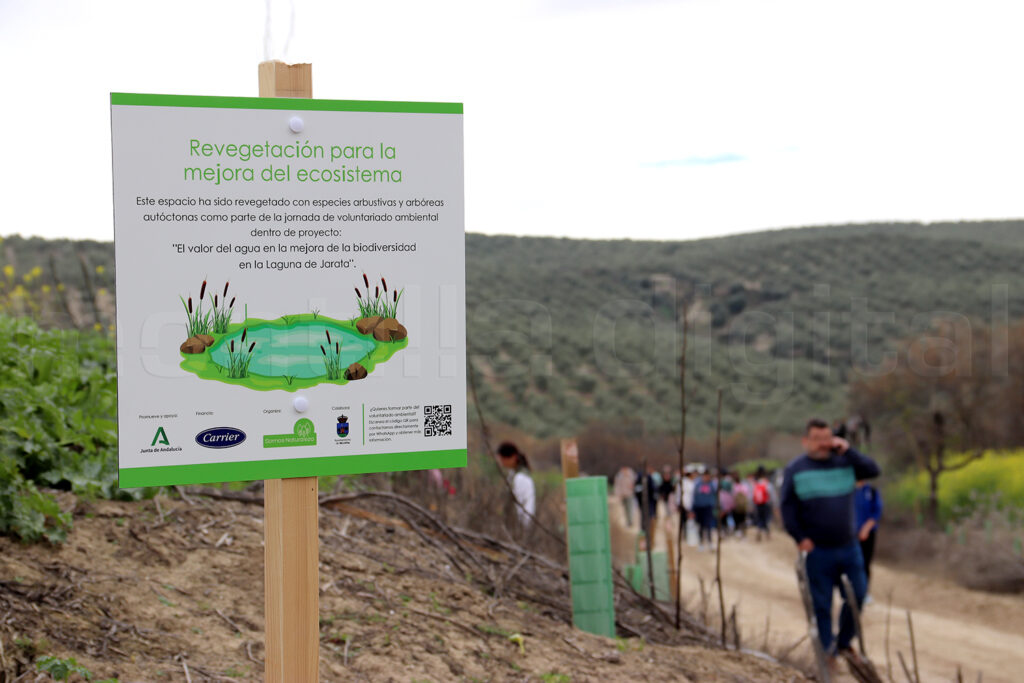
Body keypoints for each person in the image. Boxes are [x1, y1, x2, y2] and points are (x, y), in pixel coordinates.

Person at [780, 418, 880, 666]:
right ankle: (828, 651)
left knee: (858, 593)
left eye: (827, 438)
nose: (823, 444)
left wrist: (848, 449)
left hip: (848, 546)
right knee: (821, 603)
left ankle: (844, 641)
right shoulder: (796, 469)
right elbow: (787, 507)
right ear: (806, 441)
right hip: (817, 550)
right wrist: (800, 538)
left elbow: (873, 470)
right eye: (817, 439)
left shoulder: (845, 462)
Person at [497, 442, 535, 530]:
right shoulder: (512, 475)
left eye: (503, 459)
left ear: (513, 457)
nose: (501, 463)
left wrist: (523, 526)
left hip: (520, 525)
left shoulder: (521, 478)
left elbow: (523, 505)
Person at [854, 478, 883, 596]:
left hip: (867, 534)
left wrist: (865, 529)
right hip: (849, 534)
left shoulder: (871, 491)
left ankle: (864, 592)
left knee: (865, 563)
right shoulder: (848, 490)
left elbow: (876, 512)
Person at [691, 468, 717, 550]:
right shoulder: (697, 484)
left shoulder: (712, 484)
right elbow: (694, 496)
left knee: (708, 525)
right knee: (700, 526)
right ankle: (701, 542)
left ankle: (710, 542)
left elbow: (715, 494)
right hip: (699, 507)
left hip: (708, 507)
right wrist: (693, 508)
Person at [752, 467, 772, 540]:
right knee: (766, 518)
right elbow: (770, 493)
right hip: (765, 503)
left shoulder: (756, 483)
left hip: (758, 504)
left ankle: (759, 530)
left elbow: (753, 494)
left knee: (760, 518)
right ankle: (767, 534)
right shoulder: (766, 482)